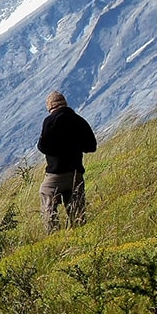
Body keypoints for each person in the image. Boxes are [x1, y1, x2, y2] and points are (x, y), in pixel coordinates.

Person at [37, 91, 97, 233]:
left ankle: (53, 234)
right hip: (76, 173)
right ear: (64, 103)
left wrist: (56, 151)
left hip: (56, 174)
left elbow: (42, 146)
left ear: (50, 106)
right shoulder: (79, 120)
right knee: (76, 208)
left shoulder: (49, 121)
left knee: (47, 198)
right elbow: (91, 146)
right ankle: (80, 234)